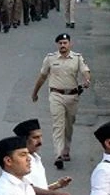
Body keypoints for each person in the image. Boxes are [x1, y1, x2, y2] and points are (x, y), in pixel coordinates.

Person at [31, 34, 91, 170]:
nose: (63, 45)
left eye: (65, 43)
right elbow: (42, 77)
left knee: (69, 125)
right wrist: (35, 92)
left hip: (72, 96)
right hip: (56, 95)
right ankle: (58, 154)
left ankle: (66, 150)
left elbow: (85, 71)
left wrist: (87, 80)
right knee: (58, 125)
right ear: (57, 45)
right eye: (60, 43)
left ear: (70, 44)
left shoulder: (77, 58)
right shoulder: (50, 58)